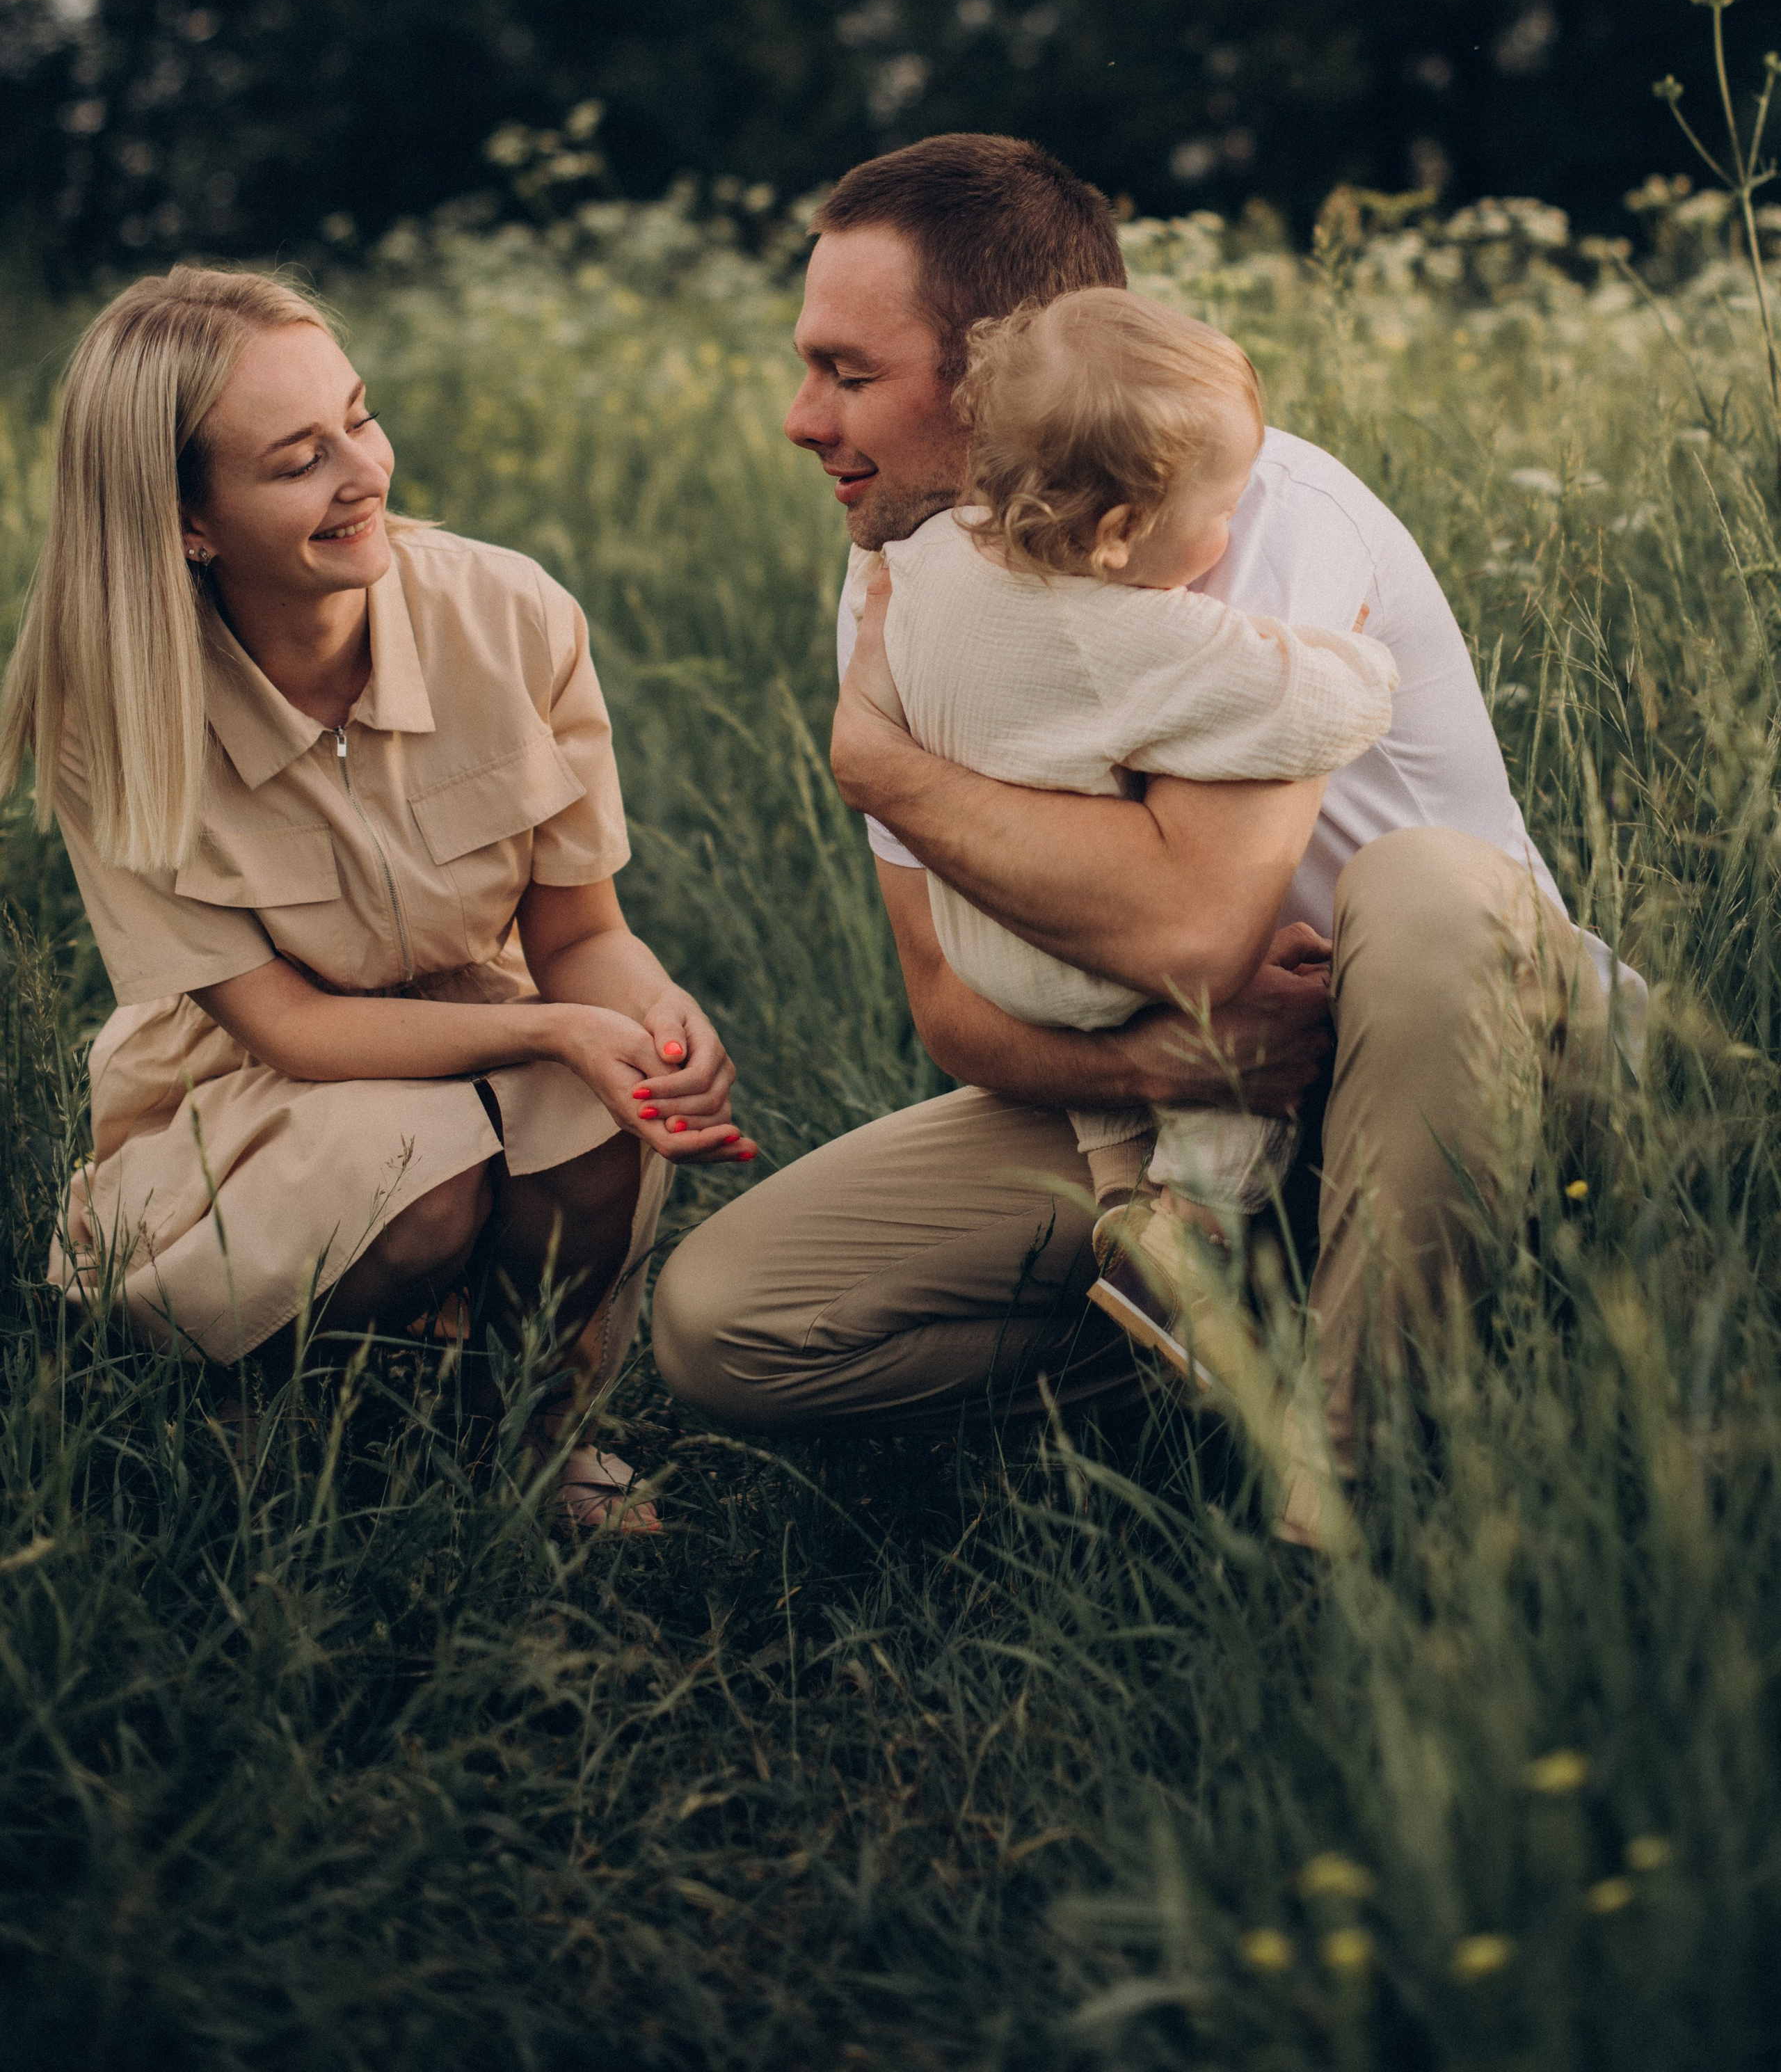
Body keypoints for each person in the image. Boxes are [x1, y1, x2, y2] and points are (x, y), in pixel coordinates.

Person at [650, 134, 1638, 1546]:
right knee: (725, 1319)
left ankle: (1353, 1486)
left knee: (1422, 891)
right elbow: (949, 1008)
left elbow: (1192, 929)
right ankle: (1231, 1350)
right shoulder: (902, 566)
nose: (804, 419)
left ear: (999, 367)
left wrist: (881, 766)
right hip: (1181, 1122)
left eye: (848, 373)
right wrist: (1146, 1067)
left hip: (1479, 1086)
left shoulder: (1250, 512)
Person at [0, 266, 755, 1526]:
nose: (367, 471)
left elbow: (580, 934)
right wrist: (547, 1028)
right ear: (190, 522)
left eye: (361, 416)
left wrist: (653, 1023)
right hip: (246, 1106)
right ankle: (264, 1408)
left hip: (484, 1054)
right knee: (422, 1155)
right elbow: (289, 1030)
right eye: (300, 460)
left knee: (597, 1097)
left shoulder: (511, 614)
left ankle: (517, 1437)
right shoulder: (115, 705)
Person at [851, 285, 1398, 1380]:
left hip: (989, 954)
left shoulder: (922, 563)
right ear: (1118, 536)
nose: (1237, 530)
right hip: (1096, 972)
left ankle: (1116, 1201)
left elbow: (877, 642)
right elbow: (1312, 706)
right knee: (1243, 1061)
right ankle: (1189, 1236)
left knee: (1112, 1094)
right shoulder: (1129, 636)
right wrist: (1354, 655)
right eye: (1226, 505)